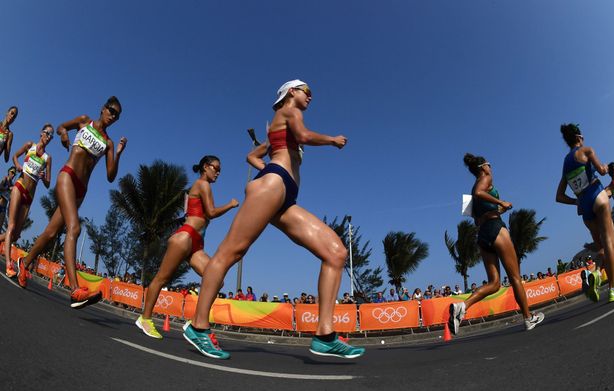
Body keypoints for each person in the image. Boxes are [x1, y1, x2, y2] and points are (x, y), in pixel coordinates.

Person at [183, 80, 364, 359]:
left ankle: (325, 335)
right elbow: (303, 136)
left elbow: (252, 155)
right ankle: (198, 326)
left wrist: (266, 164)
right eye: (307, 91)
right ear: (291, 92)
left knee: (336, 252)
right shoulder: (291, 111)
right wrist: (331, 140)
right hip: (273, 185)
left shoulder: (282, 124)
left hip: (285, 196)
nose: (310, 97)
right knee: (232, 252)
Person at [16, 97, 127, 309]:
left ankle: (25, 262)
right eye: (111, 111)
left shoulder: (108, 143)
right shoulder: (85, 121)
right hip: (68, 175)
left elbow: (111, 176)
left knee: (50, 232)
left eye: (117, 115)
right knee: (74, 229)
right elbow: (60, 127)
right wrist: (65, 134)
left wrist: (118, 154)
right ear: (103, 109)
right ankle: (75, 289)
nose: (113, 116)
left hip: (81, 190)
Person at [135, 155, 239, 339]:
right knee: (162, 278)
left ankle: (196, 321)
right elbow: (211, 212)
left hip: (197, 244)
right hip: (186, 237)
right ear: (206, 167)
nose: (218, 173)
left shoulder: (203, 186)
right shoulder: (202, 184)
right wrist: (231, 205)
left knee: (216, 279)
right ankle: (145, 318)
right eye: (216, 168)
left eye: (220, 170)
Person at [449, 153, 544, 337]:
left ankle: (462, 306)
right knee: (515, 277)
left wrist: (496, 209)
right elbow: (480, 192)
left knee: (494, 283)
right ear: (483, 167)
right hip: (496, 228)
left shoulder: (469, 196)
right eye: (489, 164)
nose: (491, 168)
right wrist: (501, 202)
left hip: (483, 235)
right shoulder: (485, 178)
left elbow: (476, 222)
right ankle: (528, 317)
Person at [555, 124, 614, 303]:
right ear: (579, 138)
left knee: (601, 246)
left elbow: (559, 196)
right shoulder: (586, 150)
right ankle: (612, 288)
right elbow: (601, 170)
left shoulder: (565, 163)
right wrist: (607, 166)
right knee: (610, 241)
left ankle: (595, 273)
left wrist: (576, 201)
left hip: (584, 206)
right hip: (597, 195)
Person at [0, 125, 53, 278]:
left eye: (51, 136)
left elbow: (49, 183)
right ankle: (9, 265)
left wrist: (44, 177)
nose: (49, 137)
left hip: (30, 195)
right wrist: (17, 165)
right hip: (20, 185)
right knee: (11, 225)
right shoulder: (30, 145)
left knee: (16, 235)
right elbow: (15, 156)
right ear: (41, 133)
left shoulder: (47, 158)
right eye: (47, 133)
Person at [0, 166, 17, 274]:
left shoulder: (13, 185)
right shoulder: (5, 179)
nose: (13, 174)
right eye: (12, 172)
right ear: (8, 172)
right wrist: (7, 189)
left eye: (14, 173)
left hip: (4, 208)